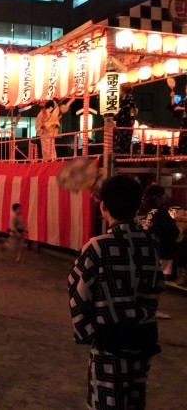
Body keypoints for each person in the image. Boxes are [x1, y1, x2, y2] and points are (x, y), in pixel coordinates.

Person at [68, 175, 165, 410]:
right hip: (143, 340)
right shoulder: (150, 242)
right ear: (136, 205)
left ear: (103, 206)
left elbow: (78, 293)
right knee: (134, 399)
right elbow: (157, 287)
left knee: (107, 402)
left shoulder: (98, 246)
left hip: (110, 343)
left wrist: (90, 332)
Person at [136, 184, 180, 320]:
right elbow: (172, 231)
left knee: (145, 281)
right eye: (162, 196)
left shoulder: (141, 212)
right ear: (158, 198)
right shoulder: (160, 213)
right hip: (161, 251)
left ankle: (142, 306)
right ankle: (151, 308)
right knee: (157, 281)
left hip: (142, 251)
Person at [113, 83, 138, 155]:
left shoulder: (130, 99)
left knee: (123, 142)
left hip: (126, 123)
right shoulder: (123, 99)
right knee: (118, 141)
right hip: (120, 123)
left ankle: (122, 157)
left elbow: (132, 112)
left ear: (123, 90)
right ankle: (119, 155)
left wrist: (131, 119)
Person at [168, 84, 187, 155]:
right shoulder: (184, 100)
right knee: (183, 141)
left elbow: (178, 108)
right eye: (186, 88)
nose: (186, 90)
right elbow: (174, 108)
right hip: (184, 123)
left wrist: (182, 108)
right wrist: (172, 98)